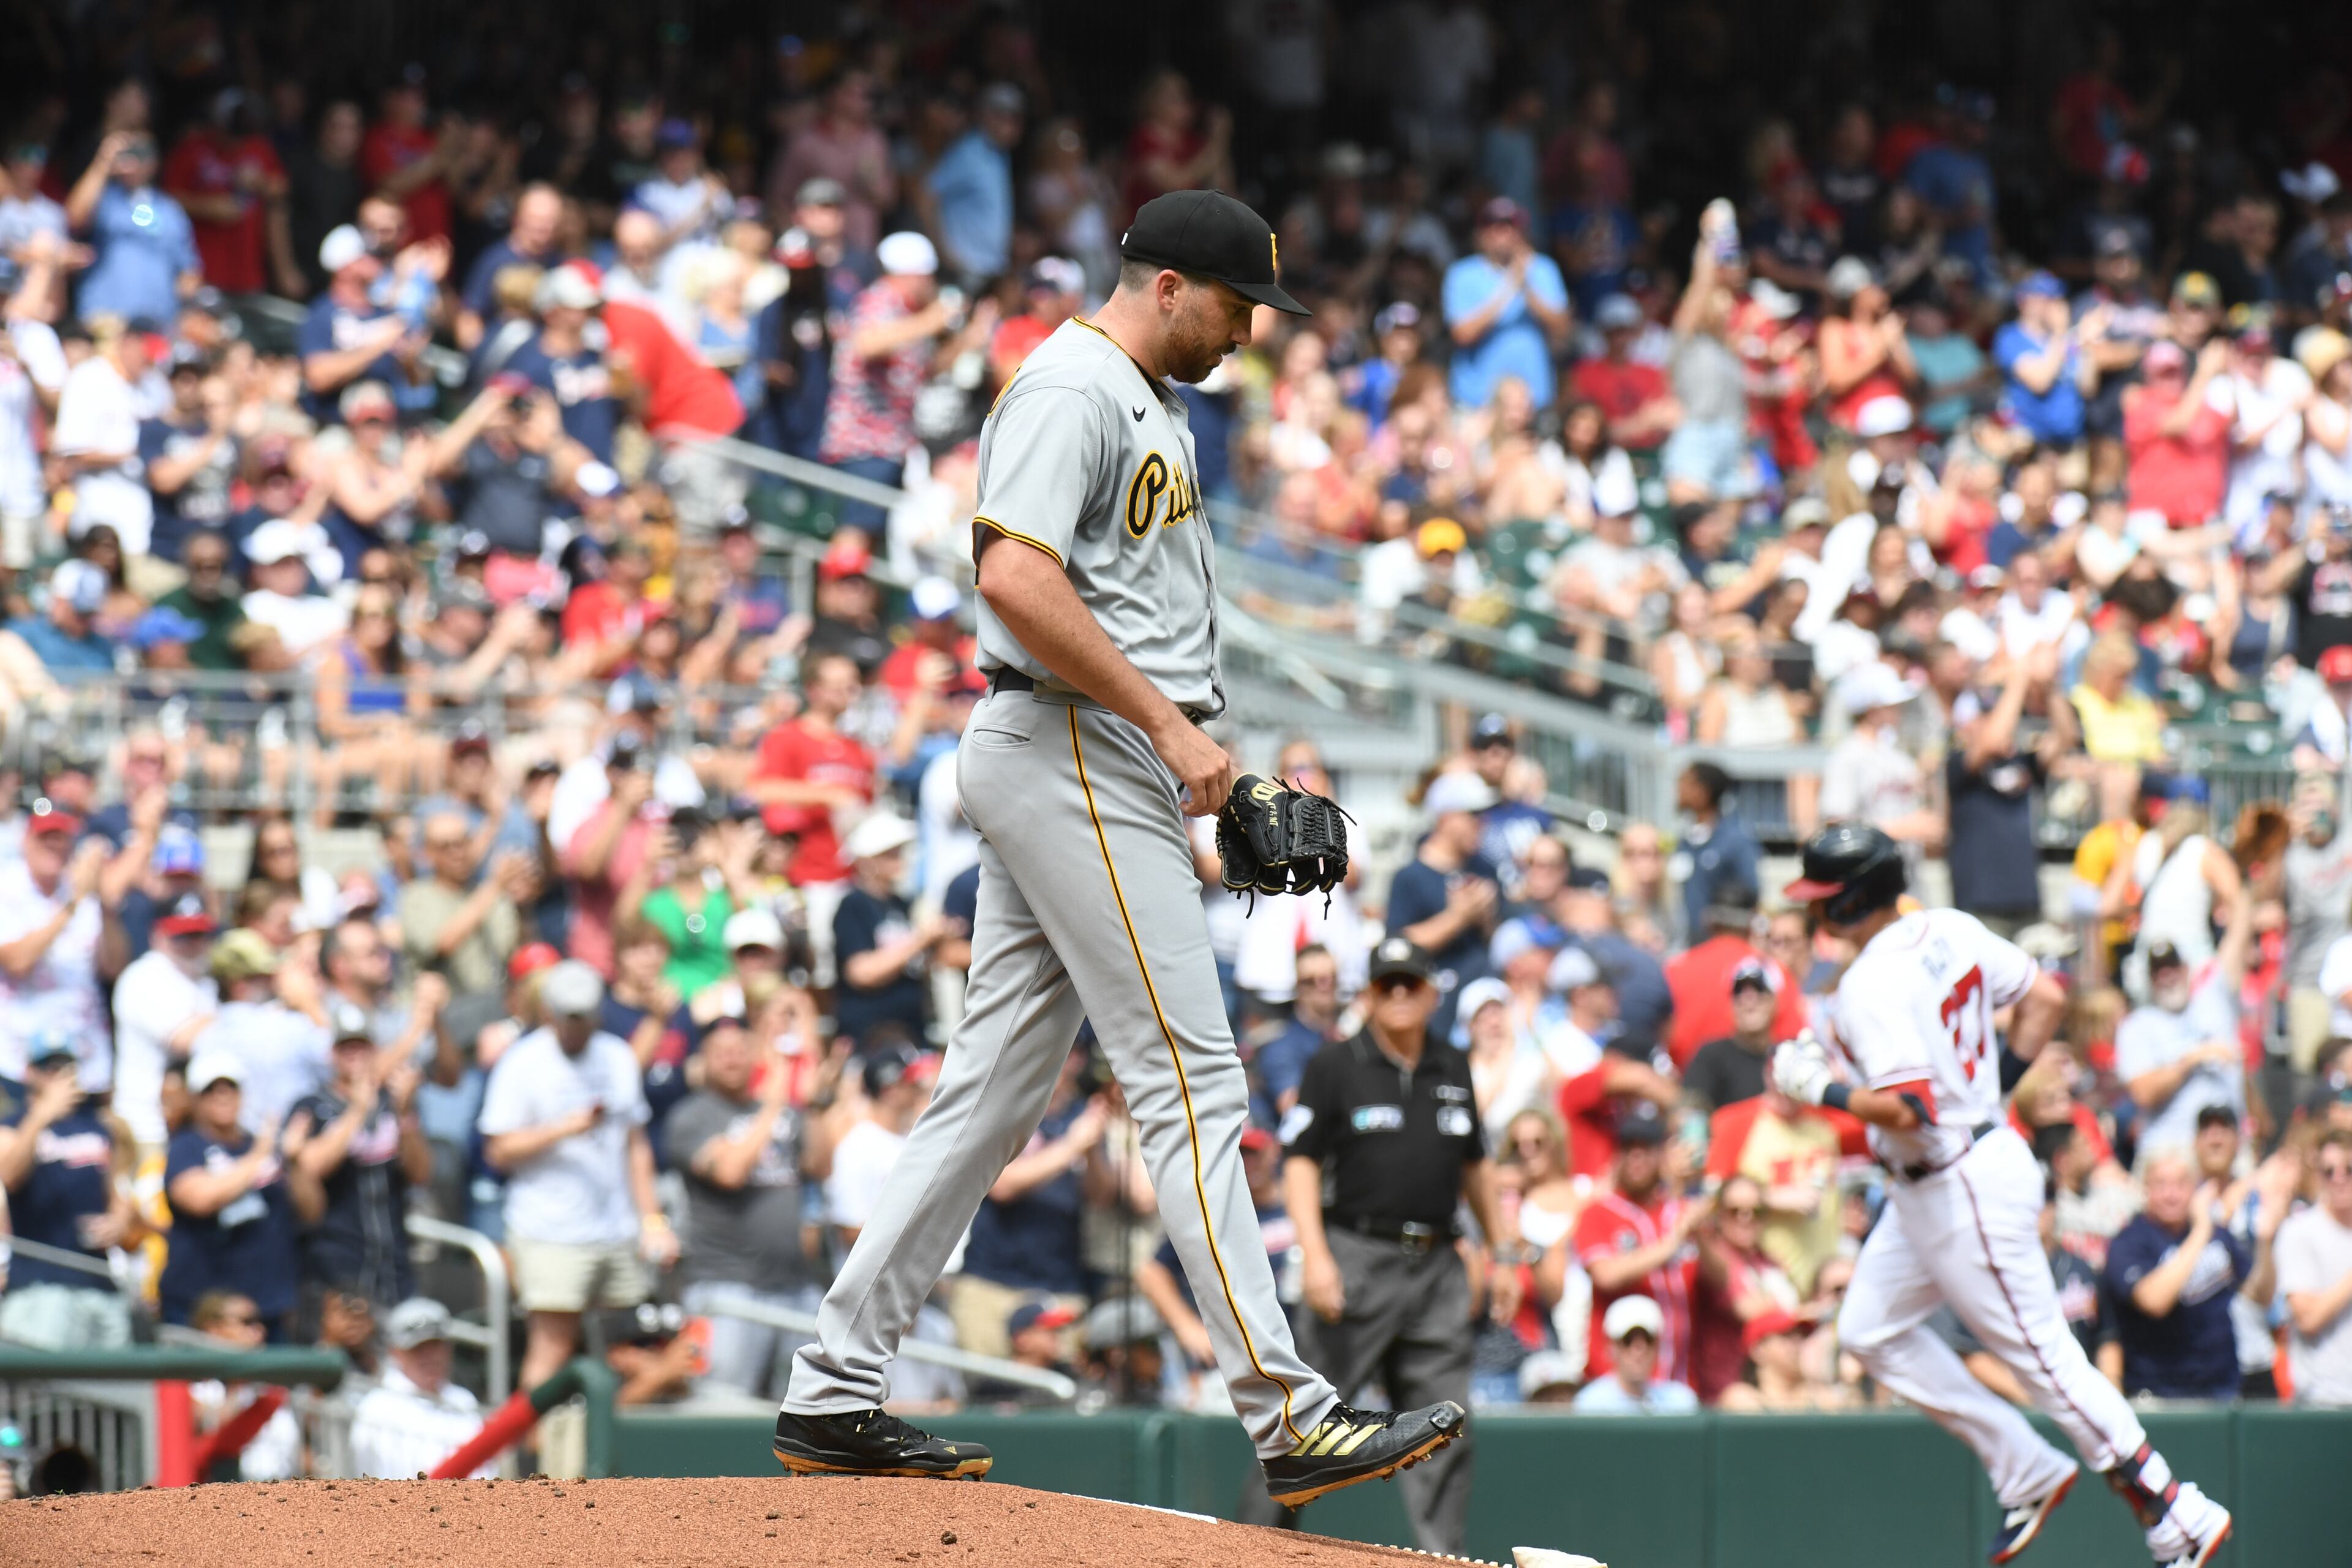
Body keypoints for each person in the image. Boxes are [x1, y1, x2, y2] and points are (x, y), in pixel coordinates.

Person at [777, 189, 1462, 1505]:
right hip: (1075, 739)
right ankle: (1288, 1407)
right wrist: (1164, 727)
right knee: (1195, 1084)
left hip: (1096, 748)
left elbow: (1134, 609)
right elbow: (1014, 577)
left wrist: (1205, 745)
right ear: (1164, 284)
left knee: (990, 1087)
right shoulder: (1073, 387)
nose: (1248, 333)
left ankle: (833, 1385)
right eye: (1235, 305)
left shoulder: (1151, 399)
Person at [1772, 822, 2233, 1568]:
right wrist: (1987, 1093)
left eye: (1824, 901)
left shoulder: (1866, 984)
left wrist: (1820, 1088)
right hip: (1947, 1172)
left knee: (2045, 1359)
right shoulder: (1948, 926)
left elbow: (1911, 1109)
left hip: (1959, 1183)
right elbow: (2046, 999)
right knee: (1867, 1330)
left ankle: (2174, 1507)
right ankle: (2023, 1465)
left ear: (1852, 899)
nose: (1817, 915)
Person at [1276, 939, 1513, 1553]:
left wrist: (1506, 1251)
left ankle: (1443, 1557)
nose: (1401, 995)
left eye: (1411, 983)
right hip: (1355, 1255)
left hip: (1436, 1265)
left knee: (1445, 1423)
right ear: (1369, 995)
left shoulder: (1452, 1064)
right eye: (1388, 985)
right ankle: (1260, 1550)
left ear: (1433, 992)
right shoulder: (1335, 1065)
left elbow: (1477, 1166)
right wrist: (1317, 1255)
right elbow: (1299, 1163)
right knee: (1302, 1424)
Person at [477, 960, 675, 1390]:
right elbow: (497, 1151)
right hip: (551, 1230)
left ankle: (608, 1452)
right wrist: (565, 1128)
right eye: (568, 1016)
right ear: (549, 1012)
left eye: (583, 1015)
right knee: (552, 1348)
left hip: (615, 1229)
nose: (576, 1025)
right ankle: (531, 1455)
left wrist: (653, 1220)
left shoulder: (618, 1056)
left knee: (628, 1350)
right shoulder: (523, 1062)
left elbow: (635, 1146)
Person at [665, 1009, 827, 1400]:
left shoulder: (784, 1112)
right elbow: (731, 1171)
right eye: (720, 1051)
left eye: (740, 1049)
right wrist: (773, 1105)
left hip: (794, 1287)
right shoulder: (691, 1117)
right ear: (702, 1061)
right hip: (727, 1289)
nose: (732, 1058)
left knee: (804, 1416)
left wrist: (814, 1105)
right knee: (722, 1405)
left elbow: (820, 1166)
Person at [160, 1052, 316, 1335]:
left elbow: (312, 1212)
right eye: (211, 1090)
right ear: (196, 1098)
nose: (222, 1096)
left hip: (267, 1304)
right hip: (203, 1307)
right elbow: (199, 1199)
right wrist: (258, 1157)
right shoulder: (187, 1147)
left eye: (230, 1088)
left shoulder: (264, 1147)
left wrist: (295, 1163)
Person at [288, 1005, 429, 1308]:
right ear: (332, 1053)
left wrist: (405, 1115)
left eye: (361, 1046)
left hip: (393, 1258)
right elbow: (311, 1167)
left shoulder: (393, 1102)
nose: (354, 1055)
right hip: (336, 1259)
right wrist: (356, 1111)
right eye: (345, 1048)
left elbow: (420, 1172)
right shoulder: (312, 1105)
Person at [0, 1035, 136, 1348]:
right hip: (41, 1283)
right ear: (31, 1072)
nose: (59, 1075)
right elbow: (9, 1176)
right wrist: (42, 1115)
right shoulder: (15, 1124)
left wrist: (118, 1221)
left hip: (99, 1281)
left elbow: (118, 1193)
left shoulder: (96, 1126)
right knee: (45, 1390)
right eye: (50, 1067)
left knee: (112, 1391)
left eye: (66, 1066)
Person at [2100, 1145, 2251, 1400]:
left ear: (2195, 1187)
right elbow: (2154, 1300)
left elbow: (2256, 1294)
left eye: (2181, 1184)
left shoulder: (2219, 1235)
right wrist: (2202, 1229)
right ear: (2144, 1188)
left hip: (2222, 1388)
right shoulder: (2129, 1242)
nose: (2172, 1195)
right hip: (2159, 1394)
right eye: (2161, 1184)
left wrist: (2267, 1242)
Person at [2117, 929, 2252, 1158]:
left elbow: (2238, 938)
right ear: (2151, 979)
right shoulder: (2137, 1026)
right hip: (2172, 1152)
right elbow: (2143, 1093)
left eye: (2173, 968)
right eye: (2160, 972)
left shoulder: (2214, 1004)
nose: (2168, 976)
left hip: (2230, 1145)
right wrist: (2193, 1059)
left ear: (2186, 969)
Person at [1441, 197, 1570, 412]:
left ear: (1521, 233)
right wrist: (1510, 287)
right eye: (1494, 228)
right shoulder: (1461, 274)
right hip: (1478, 400)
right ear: (1481, 234)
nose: (1502, 235)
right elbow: (1462, 334)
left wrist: (1527, 288)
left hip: (1534, 398)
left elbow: (1562, 328)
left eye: (1509, 228)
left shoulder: (1543, 269)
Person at [832, 815, 945, 1049]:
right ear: (867, 861)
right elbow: (862, 972)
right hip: (870, 1034)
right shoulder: (853, 905)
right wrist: (921, 940)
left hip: (912, 1028)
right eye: (889, 854)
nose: (899, 859)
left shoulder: (902, 904)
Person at [349, 1297, 493, 1478]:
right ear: (396, 1352)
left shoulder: (464, 1401)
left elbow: (485, 1472)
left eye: (435, 1346)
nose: (429, 1356)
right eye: (417, 1348)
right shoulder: (377, 1407)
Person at [823, 1042, 938, 1251]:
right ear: (889, 1089)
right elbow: (850, 1230)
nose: (919, 1088)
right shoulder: (858, 1147)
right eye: (910, 1082)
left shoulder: (912, 1138)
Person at [2276, 1129, 2352, 1407]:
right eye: (2329, 1171)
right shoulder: (2299, 1231)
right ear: (2318, 1174)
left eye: (2349, 1169)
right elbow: (2308, 1319)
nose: (2339, 1179)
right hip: (2323, 1399)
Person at [1571, 1295, 1701, 1413]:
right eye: (1628, 1341)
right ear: (1612, 1347)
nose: (1639, 1351)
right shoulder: (1590, 1405)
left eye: (1648, 1341)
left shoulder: (1680, 1401)